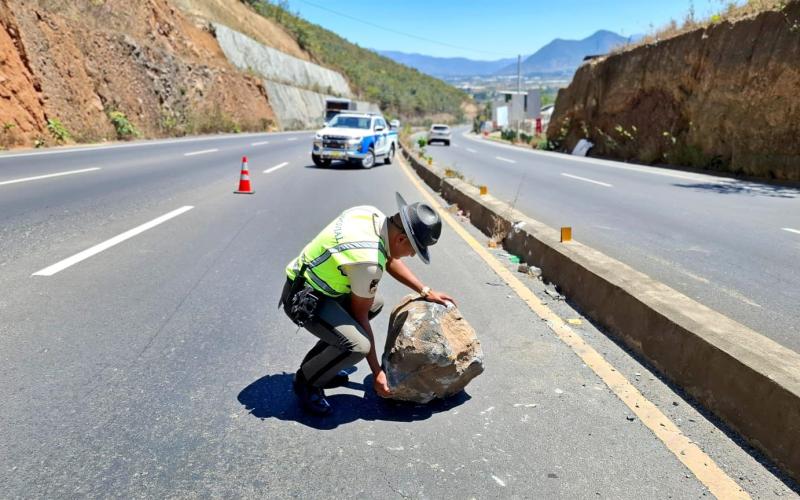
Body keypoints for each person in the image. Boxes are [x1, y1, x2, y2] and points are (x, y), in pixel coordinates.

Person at [279, 192, 455, 415]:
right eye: (413, 250)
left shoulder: (370, 215)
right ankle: (306, 381)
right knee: (358, 347)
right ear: (401, 239)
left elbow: (389, 258)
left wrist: (424, 290)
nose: (411, 255)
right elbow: (360, 315)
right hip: (303, 299)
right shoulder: (368, 262)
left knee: (375, 303)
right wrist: (377, 373)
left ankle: (321, 365)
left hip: (314, 283)